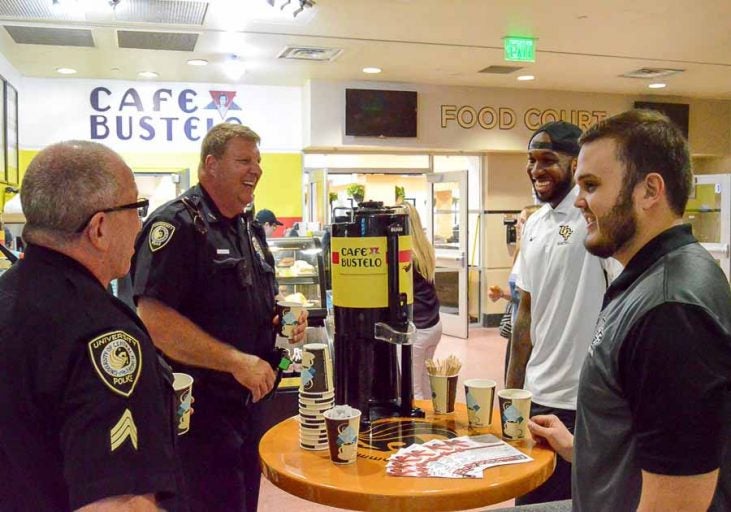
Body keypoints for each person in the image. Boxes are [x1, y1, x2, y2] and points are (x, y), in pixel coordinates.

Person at [528, 109, 731, 511]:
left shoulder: (671, 309)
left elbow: (678, 504)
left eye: (591, 185)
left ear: (649, 191)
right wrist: (578, 446)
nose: (580, 200)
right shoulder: (651, 277)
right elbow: (649, 438)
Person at [0, 141, 186, 511]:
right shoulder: (104, 335)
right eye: (136, 208)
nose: (140, 225)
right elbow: (118, 502)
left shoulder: (8, 296)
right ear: (99, 228)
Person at [131, 123, 307, 512]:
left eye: (258, 161)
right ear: (210, 165)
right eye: (244, 160)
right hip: (200, 414)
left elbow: (244, 299)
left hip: (249, 403)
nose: (256, 169)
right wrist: (235, 361)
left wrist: (279, 322)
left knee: (241, 501)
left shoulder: (248, 226)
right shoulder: (176, 225)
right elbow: (153, 319)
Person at [506, 121, 610, 505]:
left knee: (573, 502)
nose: (536, 170)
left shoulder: (596, 221)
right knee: (530, 499)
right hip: (536, 397)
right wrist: (510, 393)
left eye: (548, 160)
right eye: (531, 161)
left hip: (581, 400)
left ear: (574, 163)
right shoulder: (534, 224)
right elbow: (525, 314)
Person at [488, 204, 540, 379]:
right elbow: (521, 293)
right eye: (518, 221)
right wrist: (502, 294)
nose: (517, 226)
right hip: (516, 326)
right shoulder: (520, 252)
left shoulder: (538, 255)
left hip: (531, 330)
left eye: (523, 221)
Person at [403, 203, 442, 400]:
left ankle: (417, 428)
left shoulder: (405, 253)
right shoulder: (424, 247)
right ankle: (432, 423)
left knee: (412, 387)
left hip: (418, 327)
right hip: (434, 324)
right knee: (426, 381)